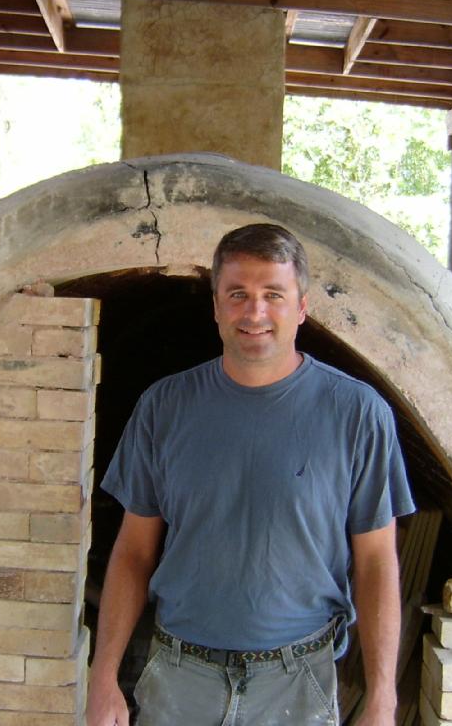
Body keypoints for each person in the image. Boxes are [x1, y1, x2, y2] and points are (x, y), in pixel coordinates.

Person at [86, 223, 415, 726]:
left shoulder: (357, 414)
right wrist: (103, 675)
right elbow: (133, 552)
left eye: (273, 295)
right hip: (180, 679)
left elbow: (375, 563)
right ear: (216, 307)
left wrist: (382, 699)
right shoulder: (164, 407)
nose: (254, 312)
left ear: (301, 307)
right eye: (237, 294)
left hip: (296, 683)